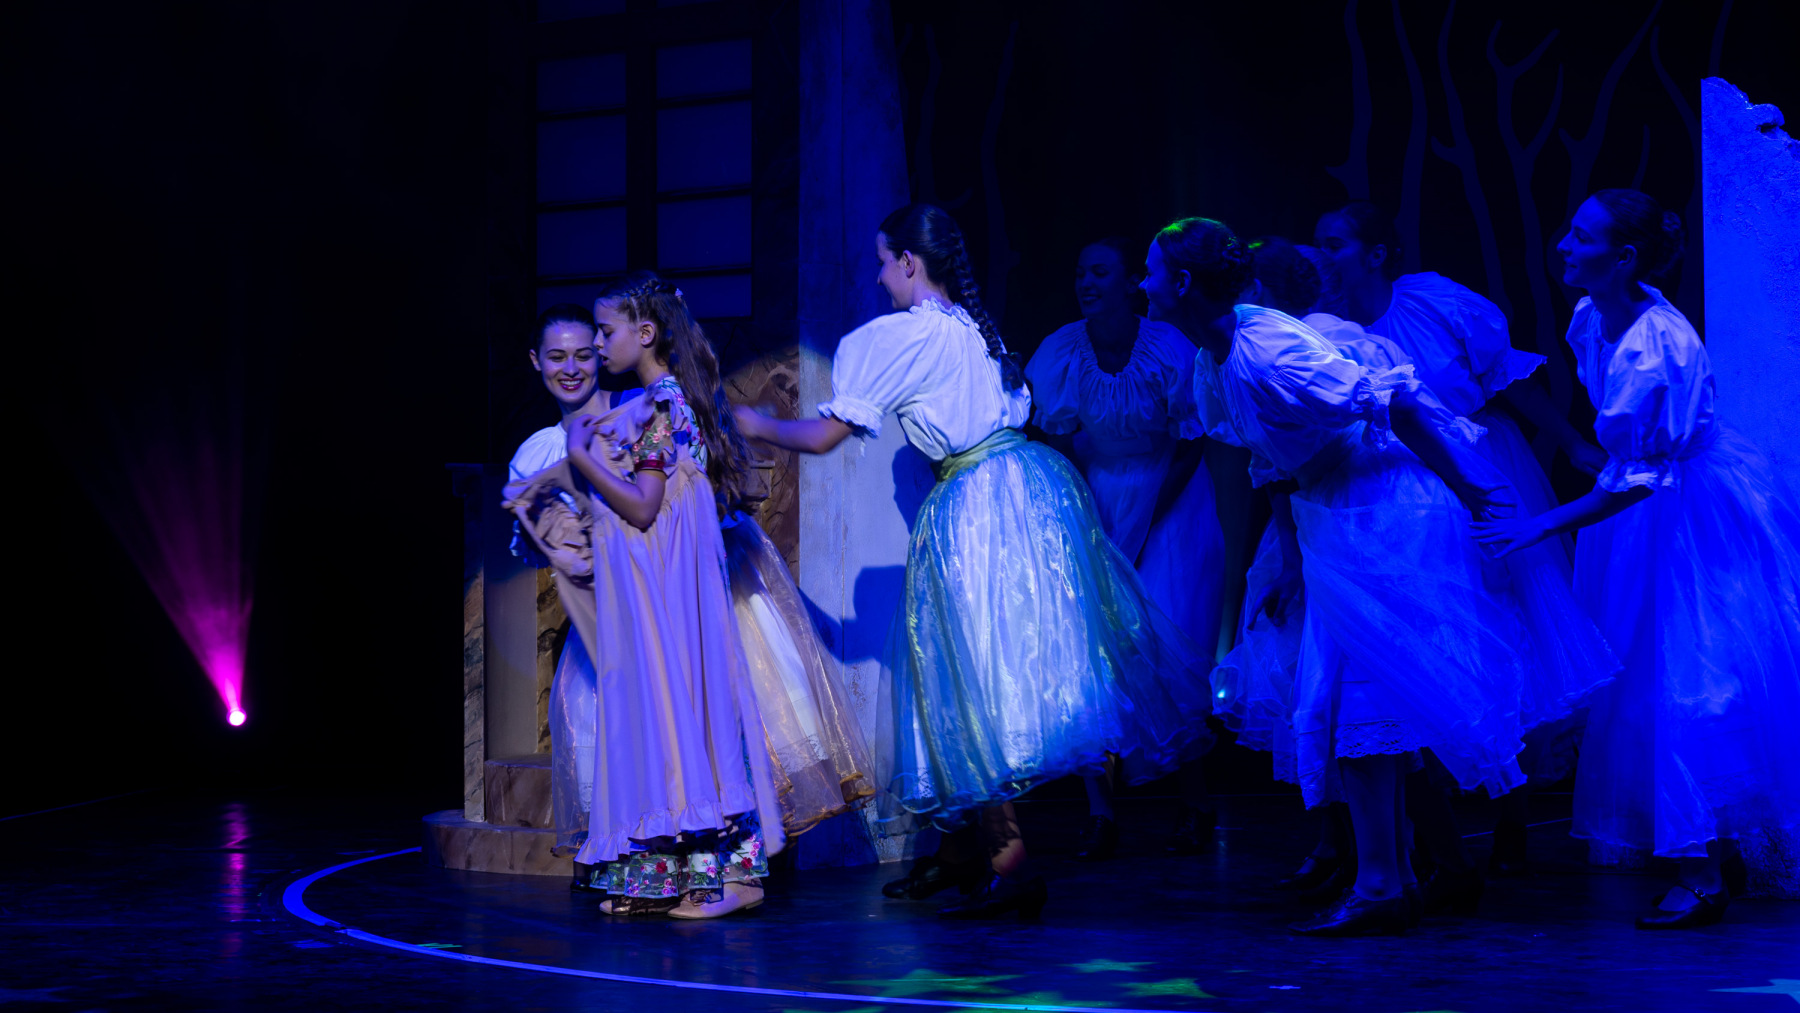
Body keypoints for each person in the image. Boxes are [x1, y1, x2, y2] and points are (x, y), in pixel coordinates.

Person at [734, 204, 1214, 919]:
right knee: (967, 674)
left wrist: (755, 422)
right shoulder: (969, 325)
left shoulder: (900, 335)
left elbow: (826, 435)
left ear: (908, 262)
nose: (878, 277)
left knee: (970, 685)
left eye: (883, 261)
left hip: (979, 506)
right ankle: (961, 854)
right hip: (1027, 490)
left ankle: (1011, 867)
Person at [1170, 215, 1531, 936]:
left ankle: (1384, 882)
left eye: (1150, 272)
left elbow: (1394, 399)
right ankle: (1395, 877)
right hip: (1335, 513)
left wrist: (1471, 487)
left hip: (1380, 509)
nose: (1143, 284)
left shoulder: (1271, 348)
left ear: (1181, 283)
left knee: (1364, 699)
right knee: (1352, 701)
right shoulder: (1223, 354)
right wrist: (1293, 560)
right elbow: (1273, 459)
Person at [1474, 190, 1800, 929]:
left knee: (1687, 677)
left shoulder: (1660, 345)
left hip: (1686, 515)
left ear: (1623, 258)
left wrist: (1543, 523)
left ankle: (1701, 871)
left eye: (1582, 236)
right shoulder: (1592, 316)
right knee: (1643, 678)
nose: (1564, 244)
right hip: (1639, 515)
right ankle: (1711, 850)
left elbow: (1642, 478)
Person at [1315, 203, 1618, 884]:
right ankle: (1428, 837)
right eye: (1319, 246)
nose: (1324, 257)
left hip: (1473, 466)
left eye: (1335, 244)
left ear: (1376, 253)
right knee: (1418, 646)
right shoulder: (1320, 332)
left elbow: (1507, 380)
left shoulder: (1435, 304)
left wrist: (1572, 442)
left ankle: (1512, 815)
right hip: (1392, 489)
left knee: (1501, 631)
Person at [524, 272, 786, 920]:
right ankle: (661, 873)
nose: (597, 345)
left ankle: (733, 878)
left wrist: (582, 457)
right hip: (654, 593)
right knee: (662, 729)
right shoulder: (655, 402)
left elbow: (644, 507)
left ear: (644, 333)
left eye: (604, 332)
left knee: (687, 724)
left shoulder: (659, 406)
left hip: (670, 595)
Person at [1024, 236, 1225, 861]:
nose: (1087, 284)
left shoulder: (1167, 347)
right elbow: (1054, 436)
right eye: (1080, 273)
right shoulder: (1062, 351)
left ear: (1130, 282)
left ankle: (1195, 802)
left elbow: (1191, 440)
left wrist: (1146, 521)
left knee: (1165, 645)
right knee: (1092, 654)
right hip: (1099, 496)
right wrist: (1084, 511)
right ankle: (1100, 810)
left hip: (1171, 500)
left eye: (1100, 272)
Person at [505, 304, 640, 884]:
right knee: (595, 734)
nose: (571, 368)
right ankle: (618, 855)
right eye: (557, 356)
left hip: (652, 606)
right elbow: (540, 551)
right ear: (536, 361)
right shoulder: (537, 452)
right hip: (596, 617)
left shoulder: (635, 412)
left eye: (583, 355)